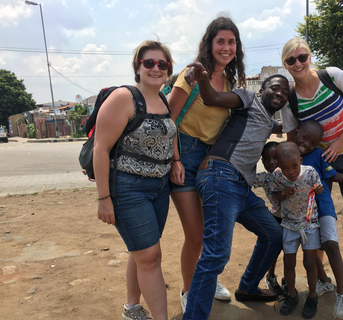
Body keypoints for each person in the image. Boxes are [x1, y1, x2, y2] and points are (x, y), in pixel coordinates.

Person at [182, 63, 289, 320]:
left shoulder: (270, 121)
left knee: (273, 234)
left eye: (285, 92)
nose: (281, 94)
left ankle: (248, 287)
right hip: (221, 175)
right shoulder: (248, 98)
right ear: (262, 89)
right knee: (216, 253)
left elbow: (282, 127)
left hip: (240, 186)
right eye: (275, 88)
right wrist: (203, 78)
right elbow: (213, 98)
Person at [280, 37, 343, 297]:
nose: (298, 63)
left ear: (309, 57)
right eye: (291, 60)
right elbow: (291, 140)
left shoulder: (333, 76)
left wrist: (339, 142)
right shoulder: (289, 99)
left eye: (302, 57)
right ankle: (321, 275)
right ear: (285, 64)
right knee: (316, 218)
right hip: (316, 163)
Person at [168, 16, 246, 312]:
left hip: (212, 161)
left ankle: (206, 280)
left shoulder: (230, 81)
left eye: (231, 42)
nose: (226, 47)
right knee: (196, 234)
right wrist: (175, 159)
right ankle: (190, 290)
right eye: (221, 41)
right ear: (209, 44)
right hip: (184, 155)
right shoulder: (191, 75)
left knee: (212, 232)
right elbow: (169, 121)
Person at [93, 40, 175, 320]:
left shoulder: (162, 98)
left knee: (141, 251)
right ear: (137, 66)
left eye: (162, 64)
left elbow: (169, 134)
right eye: (148, 63)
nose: (155, 68)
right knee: (151, 257)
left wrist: (174, 162)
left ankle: (131, 307)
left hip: (159, 188)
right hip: (129, 188)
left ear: (168, 69)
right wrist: (104, 198)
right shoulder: (123, 98)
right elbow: (101, 149)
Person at [295, 120, 343, 319]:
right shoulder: (289, 154)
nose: (307, 144)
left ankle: (341, 292)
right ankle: (323, 283)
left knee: (330, 243)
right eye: (304, 138)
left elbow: (333, 176)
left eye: (313, 142)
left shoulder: (318, 155)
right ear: (296, 132)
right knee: (309, 252)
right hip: (302, 213)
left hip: (324, 207)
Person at [270, 141, 323, 318]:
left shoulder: (310, 172)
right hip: (289, 225)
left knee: (309, 262)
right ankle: (292, 295)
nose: (291, 172)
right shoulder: (277, 177)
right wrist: (283, 194)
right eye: (286, 168)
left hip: (309, 223)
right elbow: (275, 197)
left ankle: (312, 296)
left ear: (300, 160)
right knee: (288, 262)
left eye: (294, 166)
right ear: (279, 166)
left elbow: (318, 188)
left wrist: (319, 189)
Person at [251, 142, 284, 296]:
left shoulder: (291, 173)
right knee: (274, 250)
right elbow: (248, 181)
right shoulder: (264, 178)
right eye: (266, 159)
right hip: (277, 217)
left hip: (294, 219)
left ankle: (287, 280)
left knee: (290, 251)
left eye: (275, 158)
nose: (271, 162)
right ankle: (270, 276)